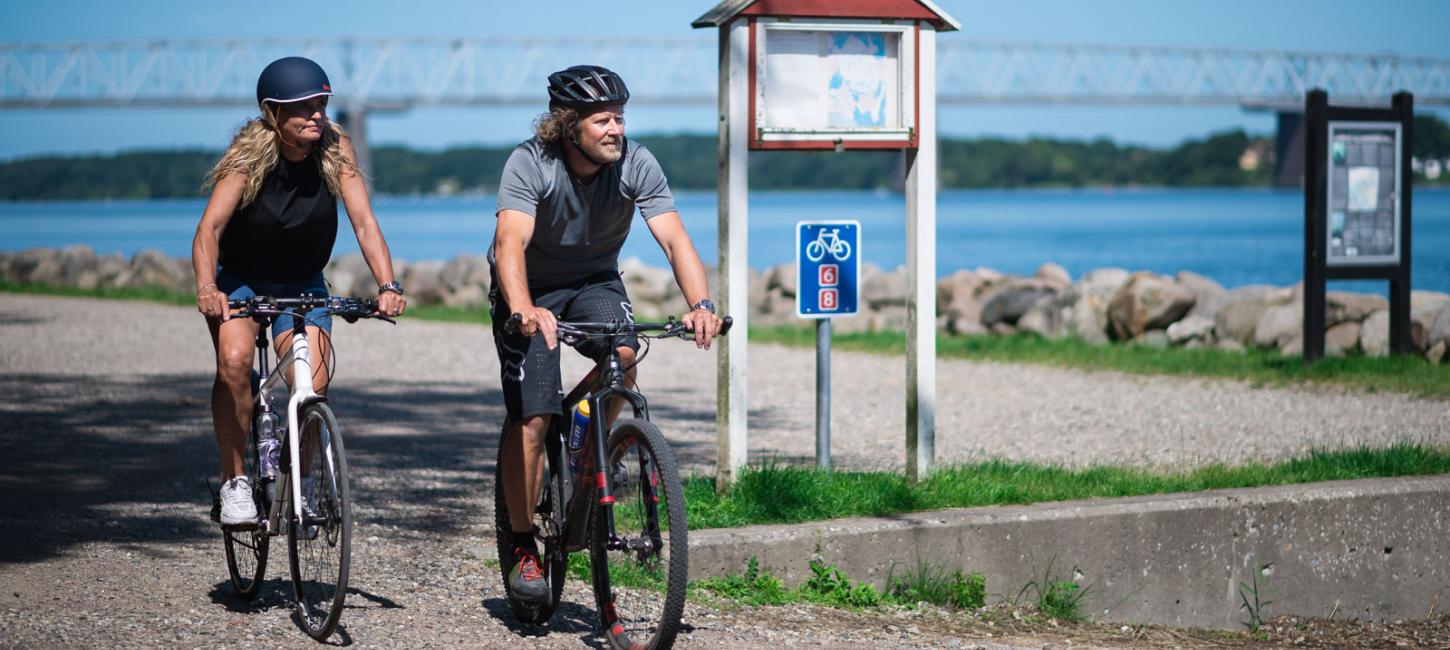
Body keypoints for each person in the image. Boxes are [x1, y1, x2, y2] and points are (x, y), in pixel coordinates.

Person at [490, 65, 723, 603]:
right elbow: (510, 244)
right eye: (603, 120)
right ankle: (524, 544)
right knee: (531, 417)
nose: (616, 129)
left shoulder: (636, 162)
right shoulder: (532, 162)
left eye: (619, 117)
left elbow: (674, 238)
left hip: (595, 280)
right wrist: (523, 307)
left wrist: (701, 304)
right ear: (569, 125)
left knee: (623, 353)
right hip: (531, 287)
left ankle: (586, 441)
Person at [192, 56, 407, 526]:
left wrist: (388, 284)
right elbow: (209, 228)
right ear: (273, 114)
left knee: (314, 386)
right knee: (233, 365)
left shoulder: (336, 149)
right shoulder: (249, 158)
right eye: (304, 107)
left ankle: (299, 485)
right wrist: (208, 286)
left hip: (303, 281)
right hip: (242, 280)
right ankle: (234, 484)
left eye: (321, 105)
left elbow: (365, 223)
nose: (317, 115)